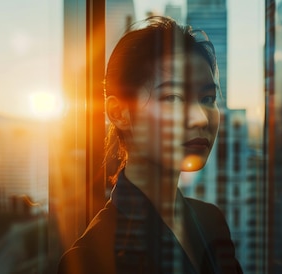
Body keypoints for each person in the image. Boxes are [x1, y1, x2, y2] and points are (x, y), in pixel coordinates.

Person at [58, 16, 243, 273]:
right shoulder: (91, 259)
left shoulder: (211, 221)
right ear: (119, 113)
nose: (201, 118)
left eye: (208, 98)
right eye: (173, 98)